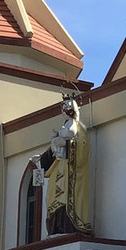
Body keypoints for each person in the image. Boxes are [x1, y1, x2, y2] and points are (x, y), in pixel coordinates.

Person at [36, 94, 93, 236]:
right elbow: (54, 150)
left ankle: (69, 227)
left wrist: (68, 144)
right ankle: (56, 228)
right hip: (59, 170)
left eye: (68, 106)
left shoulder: (79, 128)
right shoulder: (65, 126)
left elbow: (82, 147)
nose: (65, 109)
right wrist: (44, 157)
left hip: (71, 172)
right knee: (54, 198)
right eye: (63, 107)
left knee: (67, 199)